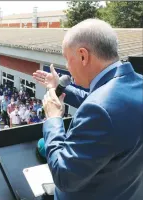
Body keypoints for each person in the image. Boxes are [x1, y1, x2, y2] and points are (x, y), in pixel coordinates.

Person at [32, 19, 143, 200]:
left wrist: (53, 120)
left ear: (83, 56)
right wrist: (60, 86)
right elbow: (104, 102)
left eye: (68, 59)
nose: (67, 67)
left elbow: (64, 177)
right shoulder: (135, 84)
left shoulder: (99, 110)